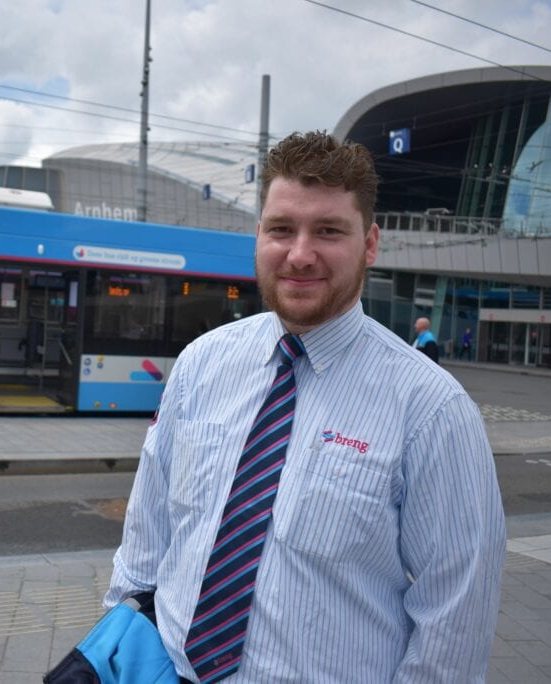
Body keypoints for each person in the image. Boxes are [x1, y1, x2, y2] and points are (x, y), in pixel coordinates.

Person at [104, 131, 505, 683]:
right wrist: (116, 651)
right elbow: (146, 536)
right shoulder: (201, 364)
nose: (299, 254)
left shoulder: (432, 409)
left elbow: (455, 618)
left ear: (370, 244)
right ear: (259, 234)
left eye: (328, 231)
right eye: (281, 229)